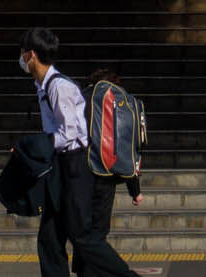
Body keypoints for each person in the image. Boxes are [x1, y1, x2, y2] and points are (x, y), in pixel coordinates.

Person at [18, 28, 136, 277]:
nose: (21, 59)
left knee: (83, 237)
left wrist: (35, 145)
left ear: (31, 55)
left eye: (22, 53)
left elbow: (69, 134)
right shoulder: (45, 86)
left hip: (74, 166)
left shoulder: (59, 87)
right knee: (49, 237)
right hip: (60, 164)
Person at [74, 69, 142, 277]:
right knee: (98, 233)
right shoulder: (121, 102)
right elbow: (127, 147)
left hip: (81, 173)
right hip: (107, 174)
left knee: (83, 234)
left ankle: (85, 273)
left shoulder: (82, 98)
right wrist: (135, 190)